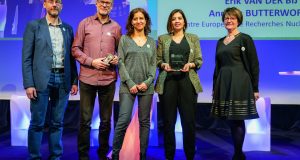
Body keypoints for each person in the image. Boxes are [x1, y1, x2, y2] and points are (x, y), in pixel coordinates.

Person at [22, 0, 78, 159]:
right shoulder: (34, 26)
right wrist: (29, 83)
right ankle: (34, 157)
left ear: (61, 6)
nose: (54, 4)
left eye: (58, 2)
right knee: (37, 123)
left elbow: (71, 58)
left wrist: (74, 80)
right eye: (51, 1)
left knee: (57, 123)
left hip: (63, 78)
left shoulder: (67, 28)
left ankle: (56, 156)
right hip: (41, 80)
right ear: (44, 4)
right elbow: (26, 58)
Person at [72, 0, 121, 159]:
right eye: (102, 1)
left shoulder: (116, 27)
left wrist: (116, 58)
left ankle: (102, 154)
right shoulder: (84, 24)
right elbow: (75, 49)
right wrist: (91, 61)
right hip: (87, 79)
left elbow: (121, 52)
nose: (105, 5)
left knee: (106, 121)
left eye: (108, 3)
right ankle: (83, 156)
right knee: (85, 121)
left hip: (108, 79)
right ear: (96, 3)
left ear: (112, 6)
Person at [211, 7, 260, 160]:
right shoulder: (220, 42)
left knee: (237, 118)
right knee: (230, 119)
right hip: (224, 82)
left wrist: (255, 88)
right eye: (226, 18)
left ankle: (238, 154)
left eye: (232, 18)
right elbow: (217, 66)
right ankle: (238, 152)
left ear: (238, 20)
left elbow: (254, 64)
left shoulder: (245, 38)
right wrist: (214, 87)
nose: (229, 20)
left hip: (240, 81)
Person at [155, 9, 203, 160]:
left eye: (179, 18)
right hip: (168, 82)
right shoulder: (162, 38)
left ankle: (190, 156)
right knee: (168, 122)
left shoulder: (193, 38)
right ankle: (169, 156)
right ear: (170, 22)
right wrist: (163, 65)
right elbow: (157, 60)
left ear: (184, 21)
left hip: (188, 81)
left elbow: (199, 60)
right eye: (174, 18)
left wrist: (191, 64)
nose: (177, 21)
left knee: (188, 122)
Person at [112, 7, 156, 160]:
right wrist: (130, 82)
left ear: (146, 21)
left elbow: (153, 65)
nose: (138, 21)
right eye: (135, 18)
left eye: (141, 18)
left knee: (144, 123)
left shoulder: (151, 41)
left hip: (147, 87)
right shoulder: (124, 39)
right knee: (123, 120)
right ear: (131, 21)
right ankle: (116, 155)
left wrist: (147, 82)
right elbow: (121, 62)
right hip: (127, 86)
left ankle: (142, 155)